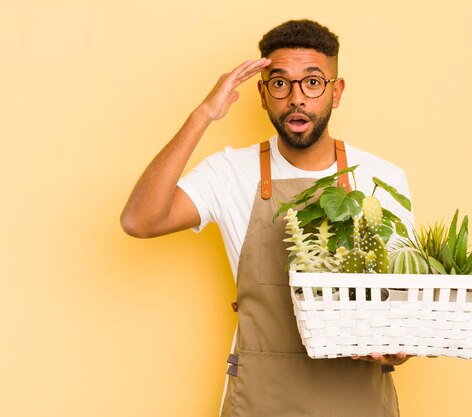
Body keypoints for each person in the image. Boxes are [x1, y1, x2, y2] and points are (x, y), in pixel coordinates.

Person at [121, 19, 414, 417]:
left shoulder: (381, 179)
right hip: (261, 400)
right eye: (280, 83)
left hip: (357, 401)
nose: (297, 98)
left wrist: (397, 349)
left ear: (336, 91)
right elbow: (139, 220)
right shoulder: (229, 172)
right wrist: (204, 113)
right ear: (262, 93)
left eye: (312, 82)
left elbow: (402, 306)